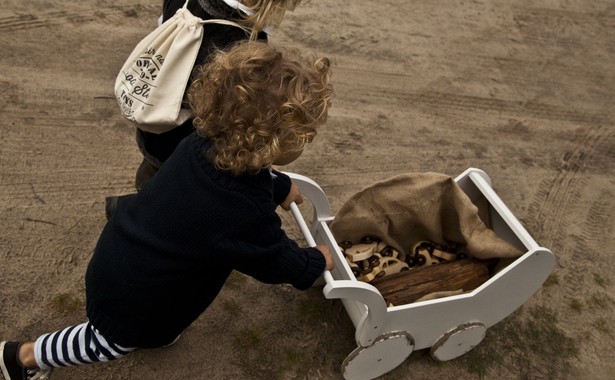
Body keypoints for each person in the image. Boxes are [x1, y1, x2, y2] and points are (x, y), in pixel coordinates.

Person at [1, 41, 334, 380]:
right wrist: (316, 261)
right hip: (138, 293)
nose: (306, 143)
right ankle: (23, 357)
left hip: (124, 251)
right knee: (106, 342)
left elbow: (249, 174)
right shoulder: (242, 213)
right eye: (303, 136)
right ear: (273, 142)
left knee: (152, 324)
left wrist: (278, 186)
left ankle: (153, 332)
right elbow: (273, 258)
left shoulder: (203, 142)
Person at [134, 0, 305, 190]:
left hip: (154, 118)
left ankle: (137, 204)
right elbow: (236, 121)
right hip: (192, 148)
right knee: (177, 193)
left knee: (152, 177)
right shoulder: (246, 45)